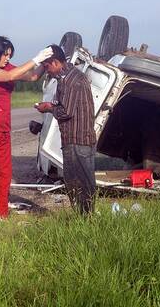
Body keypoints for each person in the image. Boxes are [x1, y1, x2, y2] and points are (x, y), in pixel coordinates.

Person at [0, 36, 52, 218]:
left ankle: (0, 211)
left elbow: (32, 76)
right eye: (5, 55)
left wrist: (44, 63)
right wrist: (35, 59)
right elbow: (9, 77)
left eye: (9, 55)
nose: (7, 59)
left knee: (4, 171)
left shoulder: (7, 67)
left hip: (3, 126)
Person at [35, 45, 97, 214]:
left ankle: (84, 219)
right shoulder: (74, 76)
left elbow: (65, 111)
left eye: (47, 66)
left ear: (55, 62)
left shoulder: (69, 80)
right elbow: (69, 106)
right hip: (83, 139)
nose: (47, 71)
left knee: (77, 182)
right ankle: (86, 217)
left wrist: (48, 107)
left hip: (76, 140)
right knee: (85, 182)